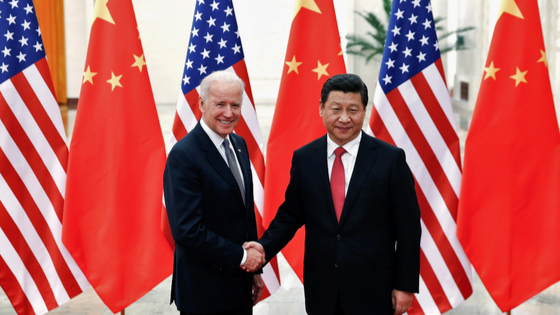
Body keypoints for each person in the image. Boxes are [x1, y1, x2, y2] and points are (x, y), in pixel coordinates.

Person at [245, 74, 421, 315]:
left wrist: (405, 285)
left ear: (364, 110)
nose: (344, 118)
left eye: (353, 110)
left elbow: (409, 227)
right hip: (322, 288)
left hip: (374, 289)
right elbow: (291, 215)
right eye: (336, 109)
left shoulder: (390, 159)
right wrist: (263, 248)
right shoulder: (305, 158)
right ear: (321, 108)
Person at [164, 71, 265, 315]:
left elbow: (244, 212)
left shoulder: (239, 144)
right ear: (201, 103)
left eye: (235, 105)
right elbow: (187, 230)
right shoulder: (184, 155)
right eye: (220, 104)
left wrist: (254, 271)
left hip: (239, 286)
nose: (228, 113)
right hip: (204, 293)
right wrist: (242, 257)